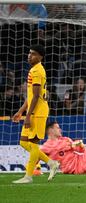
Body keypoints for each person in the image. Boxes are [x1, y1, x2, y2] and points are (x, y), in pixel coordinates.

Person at [11, 44, 59, 184]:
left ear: (40, 57)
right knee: (23, 142)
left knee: (33, 143)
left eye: (33, 54)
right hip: (33, 110)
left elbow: (37, 96)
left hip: (38, 112)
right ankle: (51, 163)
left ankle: (28, 176)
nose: (29, 55)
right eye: (29, 53)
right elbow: (31, 96)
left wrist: (28, 116)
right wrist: (21, 111)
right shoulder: (33, 70)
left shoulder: (38, 71)